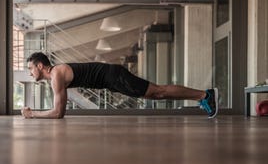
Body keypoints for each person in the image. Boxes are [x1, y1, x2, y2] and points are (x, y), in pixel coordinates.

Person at [21, 52, 218, 119]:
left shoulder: (56, 75)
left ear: (40, 65)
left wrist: (33, 114)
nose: (30, 72)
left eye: (31, 68)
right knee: (155, 94)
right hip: (111, 79)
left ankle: (204, 95)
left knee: (157, 92)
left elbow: (58, 113)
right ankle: (201, 97)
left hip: (113, 77)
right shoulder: (56, 75)